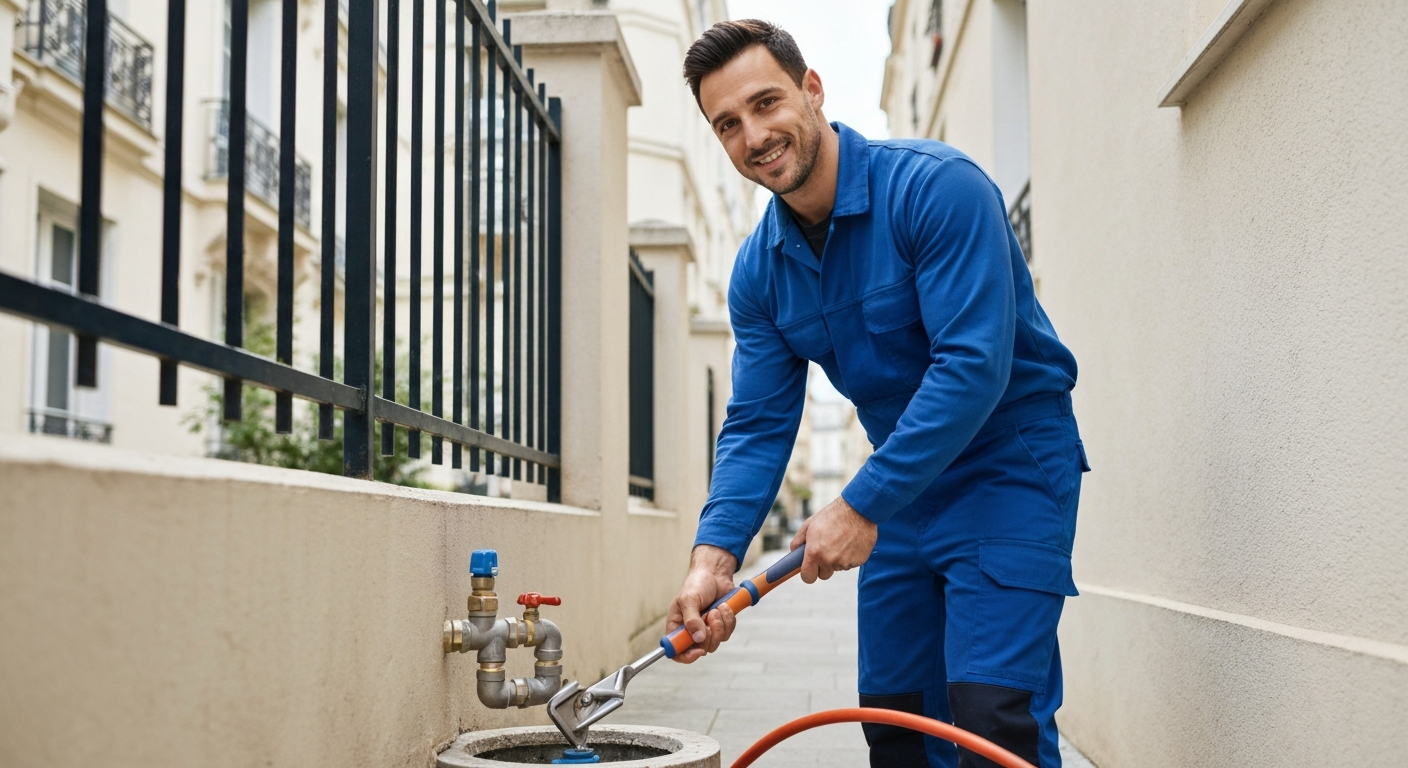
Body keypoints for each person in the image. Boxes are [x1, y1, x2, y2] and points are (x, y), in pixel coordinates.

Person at [664, 19, 1090, 768]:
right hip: (903, 489)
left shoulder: (936, 189)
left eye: (766, 104)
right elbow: (759, 423)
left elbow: (971, 366)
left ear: (813, 90)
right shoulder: (759, 274)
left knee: (992, 716)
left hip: (1008, 466)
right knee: (895, 721)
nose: (753, 135)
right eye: (727, 124)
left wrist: (857, 506)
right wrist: (713, 559)